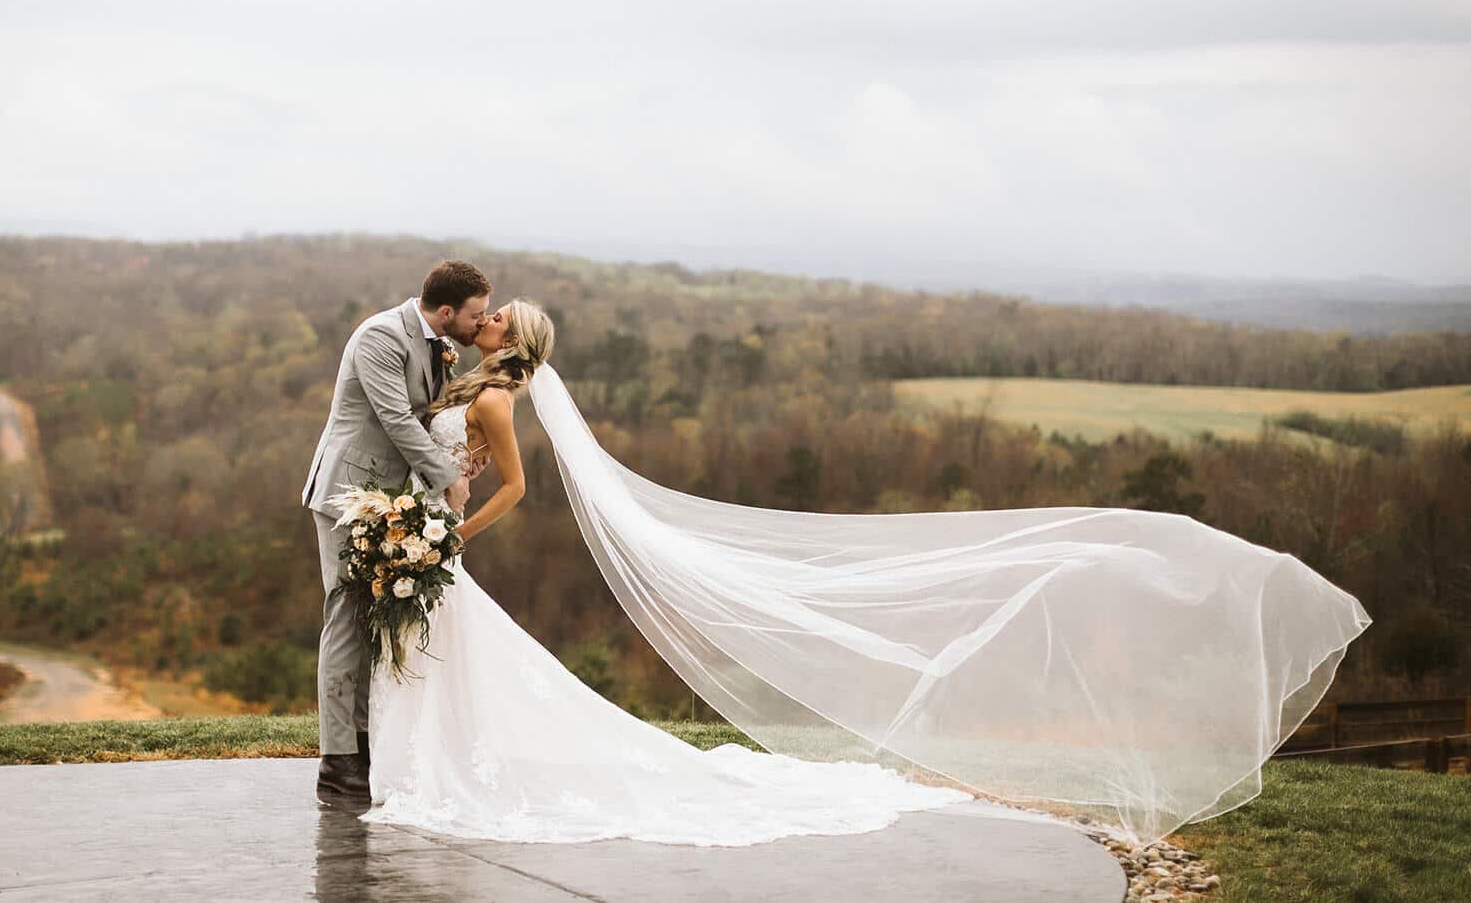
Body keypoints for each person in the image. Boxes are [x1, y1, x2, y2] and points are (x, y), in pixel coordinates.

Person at [356, 302, 1371, 847]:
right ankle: (414, 759)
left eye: (497, 321)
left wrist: (449, 536)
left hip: (441, 546)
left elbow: (513, 481)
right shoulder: (469, 380)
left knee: (456, 653)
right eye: (482, 316)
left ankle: (428, 766)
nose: (484, 321)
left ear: (515, 344)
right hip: (427, 537)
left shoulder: (496, 397)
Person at [302, 259, 490, 800]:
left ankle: (365, 744)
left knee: (375, 619)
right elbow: (396, 419)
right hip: (346, 496)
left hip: (389, 500)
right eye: (475, 316)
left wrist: (466, 451)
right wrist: (447, 477)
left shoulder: (440, 346)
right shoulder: (381, 337)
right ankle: (337, 762)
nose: (479, 325)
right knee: (346, 617)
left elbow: (432, 416)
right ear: (447, 310)